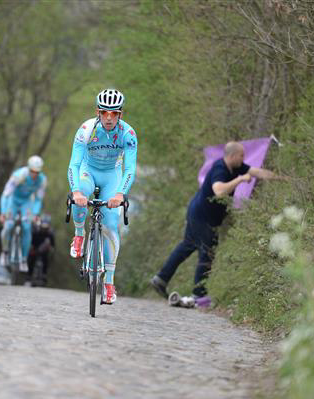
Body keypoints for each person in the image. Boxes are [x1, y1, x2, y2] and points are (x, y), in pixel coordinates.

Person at [150, 141, 285, 306]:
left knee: (187, 245)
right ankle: (199, 295)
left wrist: (280, 178)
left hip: (198, 212)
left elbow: (256, 171)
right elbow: (219, 191)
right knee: (207, 251)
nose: (244, 158)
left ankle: (161, 279)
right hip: (202, 216)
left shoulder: (236, 166)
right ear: (232, 155)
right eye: (241, 155)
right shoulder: (220, 168)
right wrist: (240, 180)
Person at [67, 88, 138, 304]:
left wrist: (120, 194)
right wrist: (77, 191)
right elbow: (74, 164)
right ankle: (79, 235)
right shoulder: (86, 129)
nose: (109, 118)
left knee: (110, 225)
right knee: (80, 200)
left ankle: (109, 283)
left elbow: (130, 169)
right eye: (105, 112)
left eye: (114, 113)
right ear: (98, 112)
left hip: (112, 176)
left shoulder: (128, 134)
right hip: (88, 171)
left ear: (120, 115)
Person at [0, 155, 47, 272]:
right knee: (8, 225)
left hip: (26, 202)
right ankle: (5, 252)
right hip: (13, 200)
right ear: (28, 168)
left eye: (37, 172)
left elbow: (38, 199)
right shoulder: (19, 175)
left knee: (26, 227)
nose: (34, 174)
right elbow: (6, 194)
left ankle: (24, 259)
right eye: (32, 171)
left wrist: (35, 214)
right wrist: (3, 212)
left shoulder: (42, 180)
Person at [28, 213, 55, 286]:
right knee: (31, 259)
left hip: (44, 251)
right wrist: (31, 247)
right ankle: (29, 275)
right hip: (35, 248)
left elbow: (52, 245)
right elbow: (31, 241)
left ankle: (44, 274)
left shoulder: (50, 232)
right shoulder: (35, 230)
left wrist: (50, 249)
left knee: (46, 259)